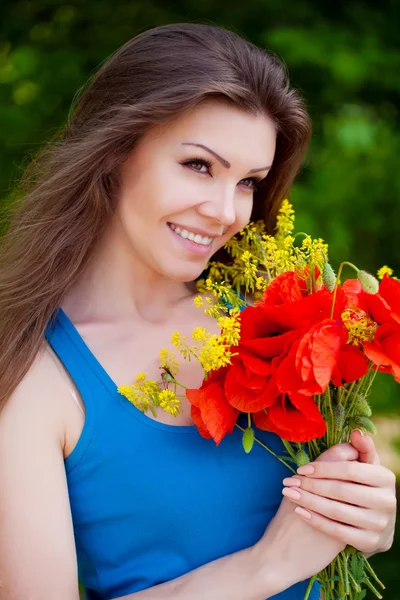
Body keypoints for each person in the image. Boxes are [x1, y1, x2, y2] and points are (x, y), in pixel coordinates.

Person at [0, 22, 396, 600]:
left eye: (249, 182)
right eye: (199, 165)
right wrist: (265, 566)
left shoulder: (275, 314)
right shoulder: (34, 379)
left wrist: (364, 516)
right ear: (115, 153)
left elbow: (338, 517)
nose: (225, 211)